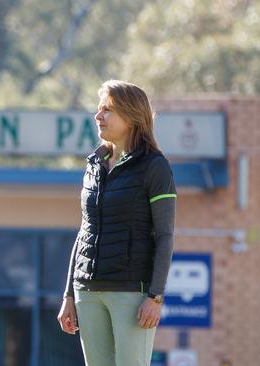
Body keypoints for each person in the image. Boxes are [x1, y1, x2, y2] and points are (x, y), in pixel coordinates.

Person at [57, 80, 177, 366]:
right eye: (99, 109)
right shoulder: (94, 165)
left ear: (132, 115)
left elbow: (165, 236)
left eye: (107, 109)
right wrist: (69, 295)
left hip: (131, 293)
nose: (98, 116)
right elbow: (85, 230)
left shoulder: (154, 166)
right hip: (87, 290)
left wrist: (155, 297)